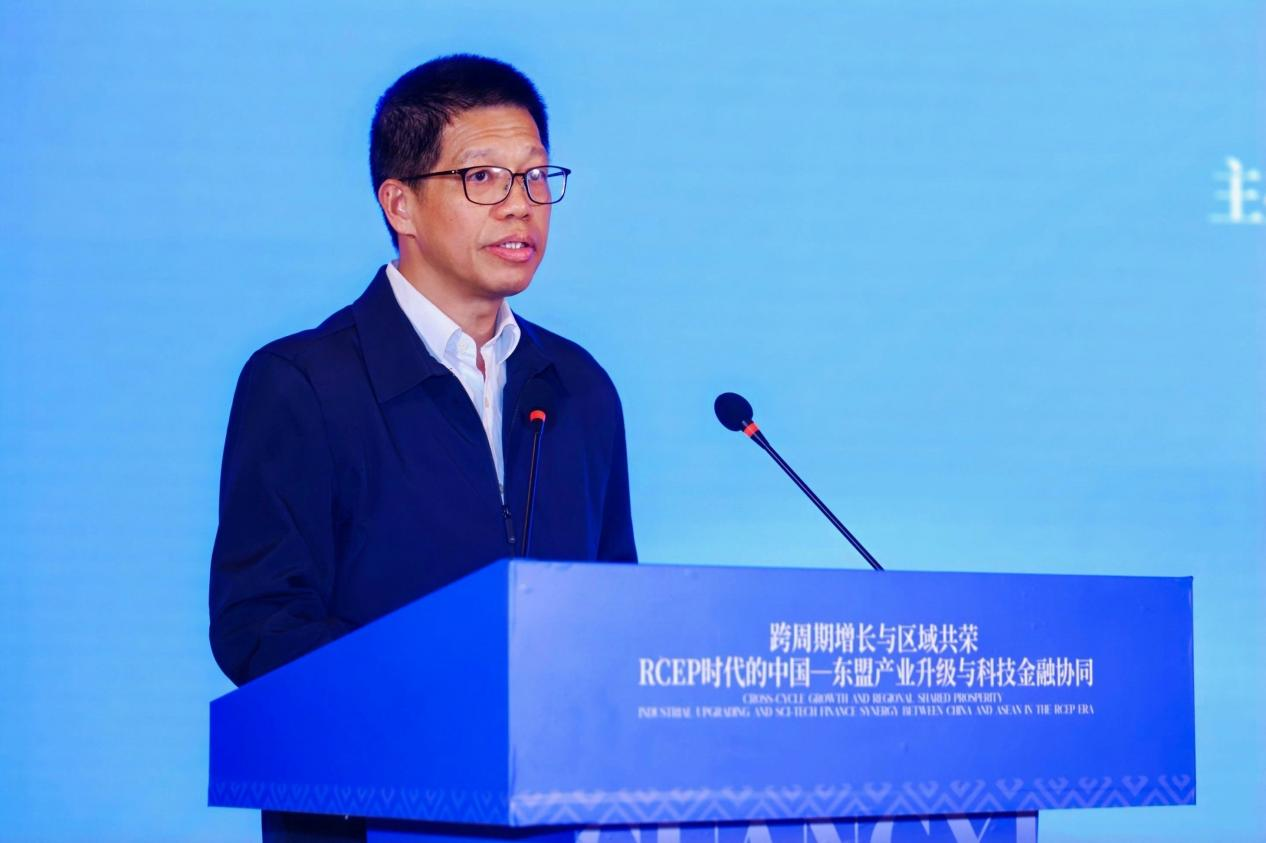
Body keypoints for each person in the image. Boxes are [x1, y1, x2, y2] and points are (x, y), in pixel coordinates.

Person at [209, 54, 637, 843]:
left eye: (535, 177)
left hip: (556, 815)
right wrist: (443, 697)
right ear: (399, 202)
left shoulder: (578, 387)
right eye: (484, 178)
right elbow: (258, 623)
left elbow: (615, 607)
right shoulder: (305, 383)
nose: (521, 205)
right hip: (369, 816)